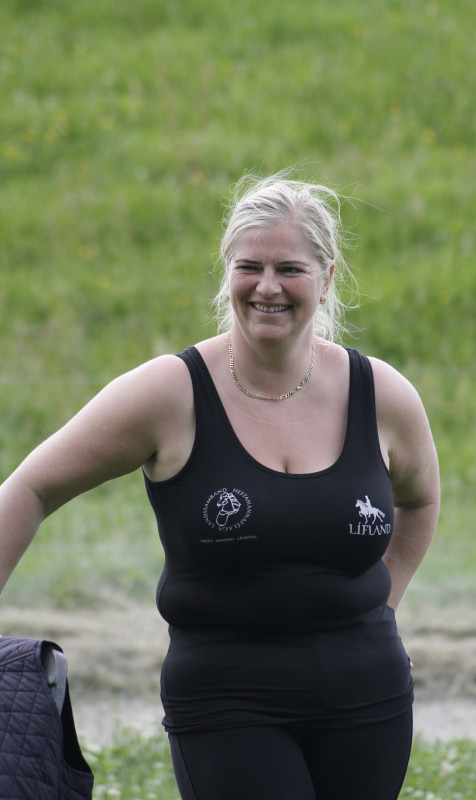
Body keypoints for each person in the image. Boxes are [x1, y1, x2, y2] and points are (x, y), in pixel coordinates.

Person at [0, 173, 440, 800]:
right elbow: (31, 487)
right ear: (227, 273)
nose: (267, 286)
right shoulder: (169, 393)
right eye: (249, 267)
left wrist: (385, 607)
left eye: (289, 269)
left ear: (326, 278)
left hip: (369, 697)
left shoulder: (382, 394)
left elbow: (419, 500)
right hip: (225, 701)